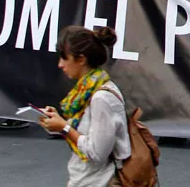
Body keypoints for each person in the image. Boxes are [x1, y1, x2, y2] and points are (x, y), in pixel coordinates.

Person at [37, 26, 131, 186]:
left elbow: (97, 153)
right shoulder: (86, 92)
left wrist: (64, 128)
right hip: (85, 179)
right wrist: (57, 122)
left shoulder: (101, 98)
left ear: (81, 59)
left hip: (101, 182)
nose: (60, 64)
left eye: (64, 58)